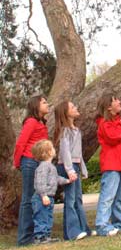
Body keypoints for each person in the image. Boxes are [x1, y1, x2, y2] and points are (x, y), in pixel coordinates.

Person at [95, 93, 121, 236]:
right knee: (108, 197)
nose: (119, 101)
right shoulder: (104, 123)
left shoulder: (117, 122)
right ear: (108, 107)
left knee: (119, 197)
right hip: (111, 164)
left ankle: (119, 222)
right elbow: (114, 137)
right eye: (115, 100)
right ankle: (102, 225)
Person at [54, 100, 95, 241]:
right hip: (67, 167)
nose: (76, 107)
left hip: (75, 166)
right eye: (72, 107)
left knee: (78, 199)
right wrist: (70, 170)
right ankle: (72, 232)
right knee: (70, 200)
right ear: (66, 113)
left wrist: (83, 169)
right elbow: (65, 153)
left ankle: (84, 229)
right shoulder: (65, 131)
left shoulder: (77, 130)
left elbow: (79, 154)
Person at [13, 94, 49, 246]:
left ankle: (36, 234)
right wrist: (17, 163)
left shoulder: (40, 122)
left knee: (36, 199)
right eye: (44, 102)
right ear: (36, 106)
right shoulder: (31, 122)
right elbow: (21, 143)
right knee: (28, 200)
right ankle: (24, 238)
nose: (47, 104)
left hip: (38, 163)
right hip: (29, 162)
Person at [30, 139, 70, 244]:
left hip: (50, 197)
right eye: (51, 148)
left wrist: (67, 180)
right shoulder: (43, 167)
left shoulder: (51, 166)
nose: (54, 150)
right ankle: (40, 237)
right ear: (46, 152)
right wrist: (43, 195)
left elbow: (56, 178)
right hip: (42, 198)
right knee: (41, 217)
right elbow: (40, 182)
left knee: (48, 217)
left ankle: (46, 236)